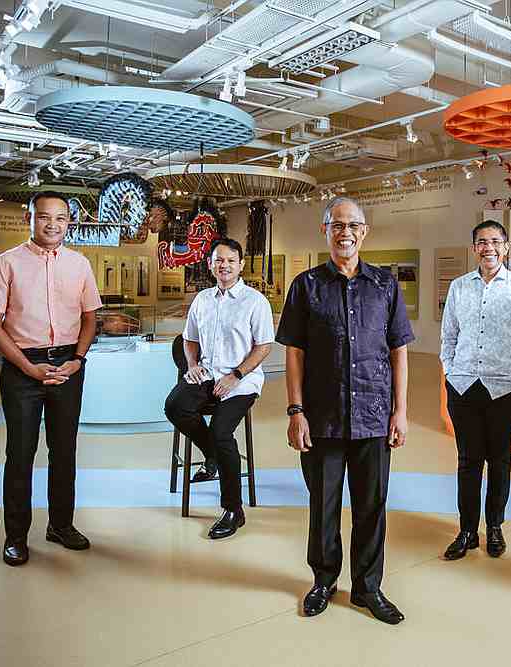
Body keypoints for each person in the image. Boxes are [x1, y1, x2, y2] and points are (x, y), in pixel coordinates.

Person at [276, 196, 414, 625]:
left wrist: (401, 411)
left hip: (374, 415)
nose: (345, 232)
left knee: (372, 506)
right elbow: (295, 353)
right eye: (337, 225)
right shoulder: (306, 286)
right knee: (324, 505)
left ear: (365, 231)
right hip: (322, 417)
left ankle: (369, 588)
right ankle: (323, 580)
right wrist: (295, 411)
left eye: (353, 225)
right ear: (326, 231)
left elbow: (399, 351)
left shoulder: (385, 286)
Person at [0, 191, 103, 567]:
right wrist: (27, 367)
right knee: (20, 454)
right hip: (21, 369)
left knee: (64, 451)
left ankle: (61, 526)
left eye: (61, 218)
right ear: (29, 219)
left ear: (69, 222)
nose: (53, 224)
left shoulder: (79, 265)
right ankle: (15, 536)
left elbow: (90, 318)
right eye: (45, 217)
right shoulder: (6, 263)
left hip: (67, 366)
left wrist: (78, 360)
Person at [439, 220, 511, 560]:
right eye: (482, 241)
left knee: (498, 459)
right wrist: (449, 370)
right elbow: (448, 335)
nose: (488, 247)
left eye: (495, 241)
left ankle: (494, 526)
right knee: (467, 461)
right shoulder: (459, 288)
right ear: (474, 248)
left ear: (506, 247)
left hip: (504, 389)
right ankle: (467, 531)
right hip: (463, 385)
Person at [164, 238, 274, 540]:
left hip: (242, 381)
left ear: (240, 265)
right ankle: (212, 455)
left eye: (230, 260)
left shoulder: (255, 302)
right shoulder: (202, 299)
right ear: (210, 264)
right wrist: (192, 365)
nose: (223, 265)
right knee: (174, 406)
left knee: (222, 431)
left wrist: (236, 375)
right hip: (207, 373)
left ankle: (233, 510)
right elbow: (189, 339)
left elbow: (264, 346)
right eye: (218, 260)